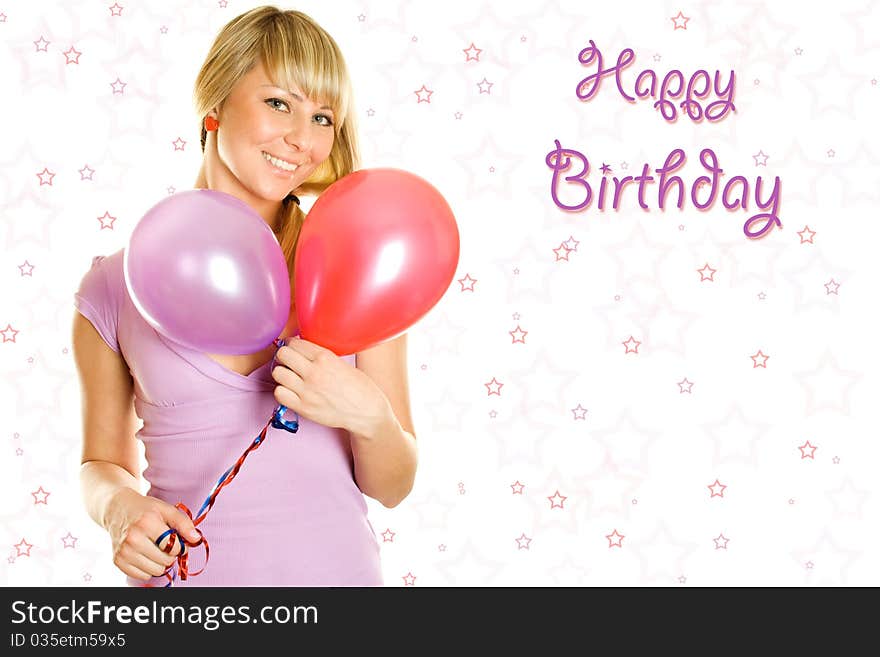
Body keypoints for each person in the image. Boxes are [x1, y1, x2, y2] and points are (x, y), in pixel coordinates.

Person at [72, 5, 417, 587]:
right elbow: (101, 463)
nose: (301, 140)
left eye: (324, 117)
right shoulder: (113, 284)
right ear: (214, 104)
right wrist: (118, 509)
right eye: (279, 103)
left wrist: (369, 416)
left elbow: (395, 484)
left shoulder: (354, 271)